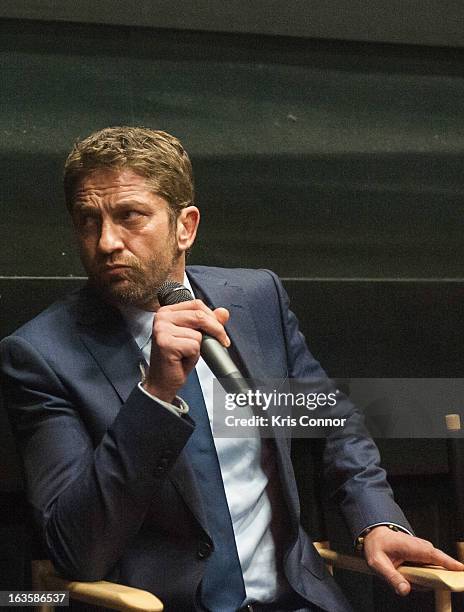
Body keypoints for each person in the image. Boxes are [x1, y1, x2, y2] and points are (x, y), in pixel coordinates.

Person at [0, 126, 461, 612]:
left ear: (186, 227)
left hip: (296, 601)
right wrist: (154, 397)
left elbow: (333, 423)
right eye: (88, 221)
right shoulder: (42, 355)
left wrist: (376, 520)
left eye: (129, 216)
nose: (107, 241)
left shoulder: (255, 301)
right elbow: (76, 549)